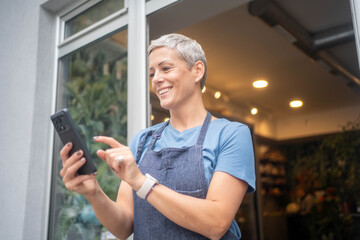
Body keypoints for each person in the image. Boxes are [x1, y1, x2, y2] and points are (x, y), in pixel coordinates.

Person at [60, 33, 256, 240]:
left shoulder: (231, 134)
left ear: (197, 71)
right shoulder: (142, 140)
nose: (157, 79)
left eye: (166, 68)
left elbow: (216, 223)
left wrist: (142, 183)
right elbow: (124, 226)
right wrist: (94, 193)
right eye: (152, 73)